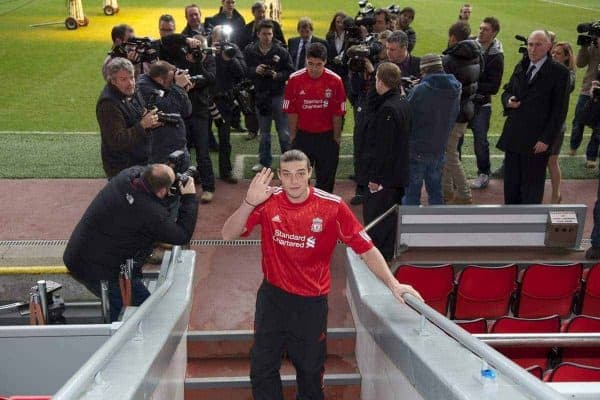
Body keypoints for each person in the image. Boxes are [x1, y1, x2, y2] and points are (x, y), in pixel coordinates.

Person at [221, 149, 423, 400]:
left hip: (310, 304)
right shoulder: (266, 201)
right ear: (279, 177)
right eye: (286, 174)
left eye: (299, 174)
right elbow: (227, 234)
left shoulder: (332, 207)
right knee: (261, 368)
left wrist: (393, 284)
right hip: (272, 298)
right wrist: (248, 203)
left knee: (310, 372)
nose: (293, 181)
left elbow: (367, 249)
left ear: (310, 174)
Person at [63, 164, 199, 322]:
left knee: (129, 304)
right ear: (162, 190)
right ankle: (114, 340)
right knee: (146, 314)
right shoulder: (148, 212)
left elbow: (152, 199)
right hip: (98, 269)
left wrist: (167, 186)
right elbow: (181, 235)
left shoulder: (128, 175)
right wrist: (189, 198)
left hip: (86, 256)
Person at [497, 30, 570, 204]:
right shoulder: (522, 65)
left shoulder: (559, 72)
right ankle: (511, 225)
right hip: (514, 137)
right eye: (530, 44)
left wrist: (546, 139)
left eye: (538, 45)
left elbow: (559, 111)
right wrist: (508, 100)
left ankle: (528, 228)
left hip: (536, 142)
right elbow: (507, 90)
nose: (533, 49)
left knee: (531, 189)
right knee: (511, 187)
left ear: (548, 47)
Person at [362, 63, 411, 261]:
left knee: (377, 221)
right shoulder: (402, 102)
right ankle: (387, 254)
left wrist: (375, 178)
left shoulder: (387, 110)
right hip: (398, 175)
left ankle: (378, 259)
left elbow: (383, 148)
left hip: (385, 178)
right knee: (390, 220)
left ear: (380, 82)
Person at [283, 42, 346, 193]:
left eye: (319, 64)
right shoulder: (294, 79)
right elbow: (292, 111)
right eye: (310, 64)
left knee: (326, 179)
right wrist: (293, 136)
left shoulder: (335, 81)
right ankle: (299, 212)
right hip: (303, 136)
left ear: (325, 62)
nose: (314, 68)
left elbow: (337, 113)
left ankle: (323, 212)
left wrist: (336, 138)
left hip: (326, 137)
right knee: (299, 178)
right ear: (306, 60)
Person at [403, 54, 461, 206]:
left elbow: (407, 116)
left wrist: (407, 94)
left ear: (424, 70)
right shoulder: (455, 88)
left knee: (411, 195)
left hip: (417, 148)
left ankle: (410, 228)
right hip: (439, 148)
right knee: (436, 193)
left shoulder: (420, 91)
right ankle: (438, 226)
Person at [97, 58, 160, 179]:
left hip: (139, 160)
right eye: (123, 79)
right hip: (123, 168)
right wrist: (143, 125)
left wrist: (151, 120)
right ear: (113, 81)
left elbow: (138, 114)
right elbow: (117, 141)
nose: (130, 83)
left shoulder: (131, 91)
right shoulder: (108, 104)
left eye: (131, 77)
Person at [244, 20, 294, 172]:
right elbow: (242, 69)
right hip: (261, 96)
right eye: (264, 34)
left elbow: (291, 71)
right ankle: (264, 162)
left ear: (273, 34)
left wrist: (277, 75)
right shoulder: (250, 50)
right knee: (264, 133)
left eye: (269, 34)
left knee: (284, 132)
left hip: (279, 95)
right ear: (258, 34)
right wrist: (254, 70)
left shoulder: (281, 51)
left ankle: (289, 163)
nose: (267, 37)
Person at [442, 21, 482, 204]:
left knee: (450, 155)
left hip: (452, 113)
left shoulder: (450, 60)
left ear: (452, 37)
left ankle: (464, 193)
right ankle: (447, 191)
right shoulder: (476, 55)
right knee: (449, 152)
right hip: (466, 111)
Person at [467, 17, 504, 190]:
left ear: (494, 33)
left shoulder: (497, 56)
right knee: (455, 138)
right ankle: (453, 173)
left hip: (482, 105)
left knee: (480, 141)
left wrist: (470, 82)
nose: (481, 31)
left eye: (486, 29)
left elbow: (494, 87)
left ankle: (484, 173)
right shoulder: (469, 45)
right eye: (480, 28)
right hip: (464, 101)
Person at [137, 61, 193, 166]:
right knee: (163, 181)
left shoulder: (169, 85)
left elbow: (187, 111)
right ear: (160, 79)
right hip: (160, 150)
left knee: (185, 180)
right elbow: (168, 107)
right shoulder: (143, 86)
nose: (172, 83)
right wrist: (179, 88)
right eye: (170, 80)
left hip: (180, 145)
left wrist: (182, 90)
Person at [211, 25, 247, 184]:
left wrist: (229, 58)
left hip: (224, 101)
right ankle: (201, 172)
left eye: (224, 39)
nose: (223, 42)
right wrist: (212, 53)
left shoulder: (233, 49)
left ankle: (225, 172)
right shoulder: (206, 51)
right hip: (206, 101)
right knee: (202, 139)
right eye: (219, 39)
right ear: (212, 38)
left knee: (225, 139)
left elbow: (242, 72)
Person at [184, 35, 218, 203]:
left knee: (203, 152)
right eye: (194, 50)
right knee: (182, 151)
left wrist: (197, 62)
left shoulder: (209, 60)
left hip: (200, 112)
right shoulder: (183, 58)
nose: (196, 53)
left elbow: (210, 79)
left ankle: (208, 187)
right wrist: (189, 61)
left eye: (199, 50)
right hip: (183, 113)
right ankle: (182, 186)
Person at [548, 42, 577, 204]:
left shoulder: (568, 75)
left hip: (556, 125)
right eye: (553, 53)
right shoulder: (550, 70)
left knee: (552, 161)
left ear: (567, 57)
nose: (554, 56)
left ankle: (556, 194)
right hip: (546, 123)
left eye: (558, 54)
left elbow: (567, 87)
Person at [570, 36, 600, 166]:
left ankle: (591, 156)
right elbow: (580, 63)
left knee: (598, 126)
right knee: (578, 120)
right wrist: (584, 46)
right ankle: (573, 145)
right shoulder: (593, 46)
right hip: (587, 89)